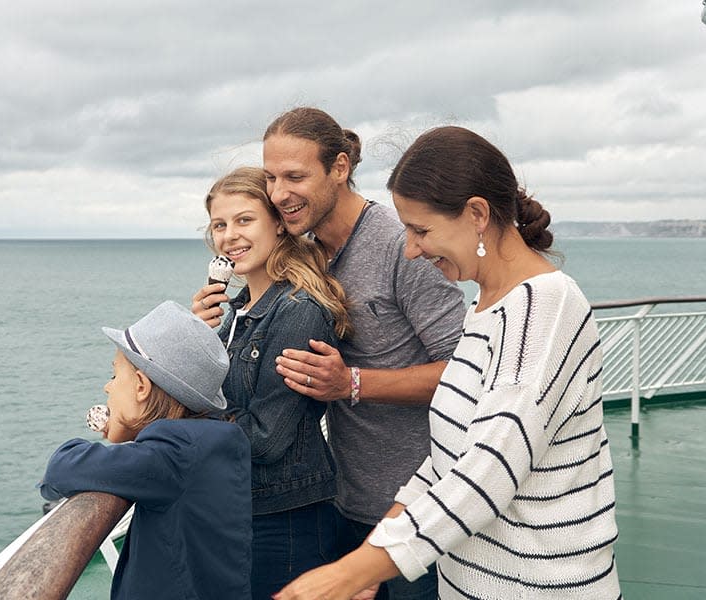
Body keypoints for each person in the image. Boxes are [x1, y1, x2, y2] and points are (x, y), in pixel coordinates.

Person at [276, 126, 621, 599]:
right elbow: (444, 464)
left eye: (420, 230)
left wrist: (348, 575)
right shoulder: (485, 308)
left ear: (477, 214)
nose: (411, 248)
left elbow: (488, 470)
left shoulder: (547, 307)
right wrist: (371, 562)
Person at [255, 107, 467, 599]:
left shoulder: (400, 244)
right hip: (346, 503)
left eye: (295, 176)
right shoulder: (304, 253)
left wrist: (351, 383)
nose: (279, 193)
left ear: (340, 168)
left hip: (422, 510)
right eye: (270, 178)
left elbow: (466, 371)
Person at [189, 166, 351, 599]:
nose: (229, 236)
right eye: (219, 225)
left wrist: (185, 423)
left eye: (245, 220)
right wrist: (196, 339)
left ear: (279, 224)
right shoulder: (237, 311)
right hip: (244, 511)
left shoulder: (298, 309)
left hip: (287, 519)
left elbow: (265, 438)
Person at [38, 300, 252, 600]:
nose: (107, 388)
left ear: (141, 386)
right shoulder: (215, 440)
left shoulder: (172, 455)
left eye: (114, 375)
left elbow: (62, 467)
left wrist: (126, 433)